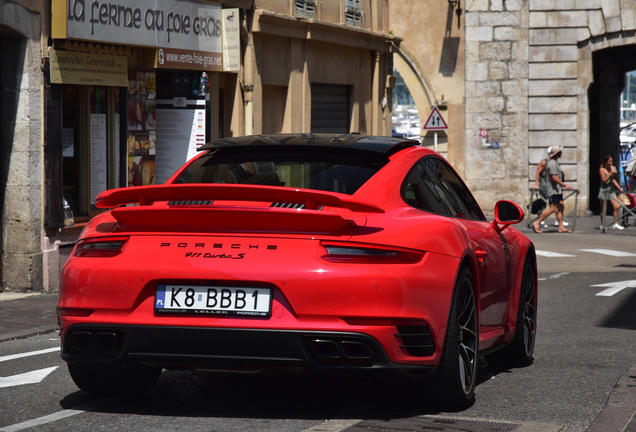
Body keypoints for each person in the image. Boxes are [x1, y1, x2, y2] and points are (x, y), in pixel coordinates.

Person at [533, 146, 573, 233]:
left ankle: (561, 226)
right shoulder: (552, 163)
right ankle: (537, 222)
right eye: (560, 151)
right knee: (553, 208)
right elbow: (554, 177)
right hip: (553, 190)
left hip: (557, 190)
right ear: (557, 153)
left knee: (561, 206)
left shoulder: (555, 162)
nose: (561, 153)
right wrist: (565, 185)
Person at [598, 155, 624, 230]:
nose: (611, 163)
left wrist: (619, 188)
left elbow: (613, 180)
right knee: (603, 208)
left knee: (616, 206)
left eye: (612, 161)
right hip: (604, 190)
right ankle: (602, 224)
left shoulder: (611, 168)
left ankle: (615, 223)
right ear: (605, 162)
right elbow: (604, 181)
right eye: (610, 161)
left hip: (611, 190)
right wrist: (610, 173)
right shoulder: (602, 170)